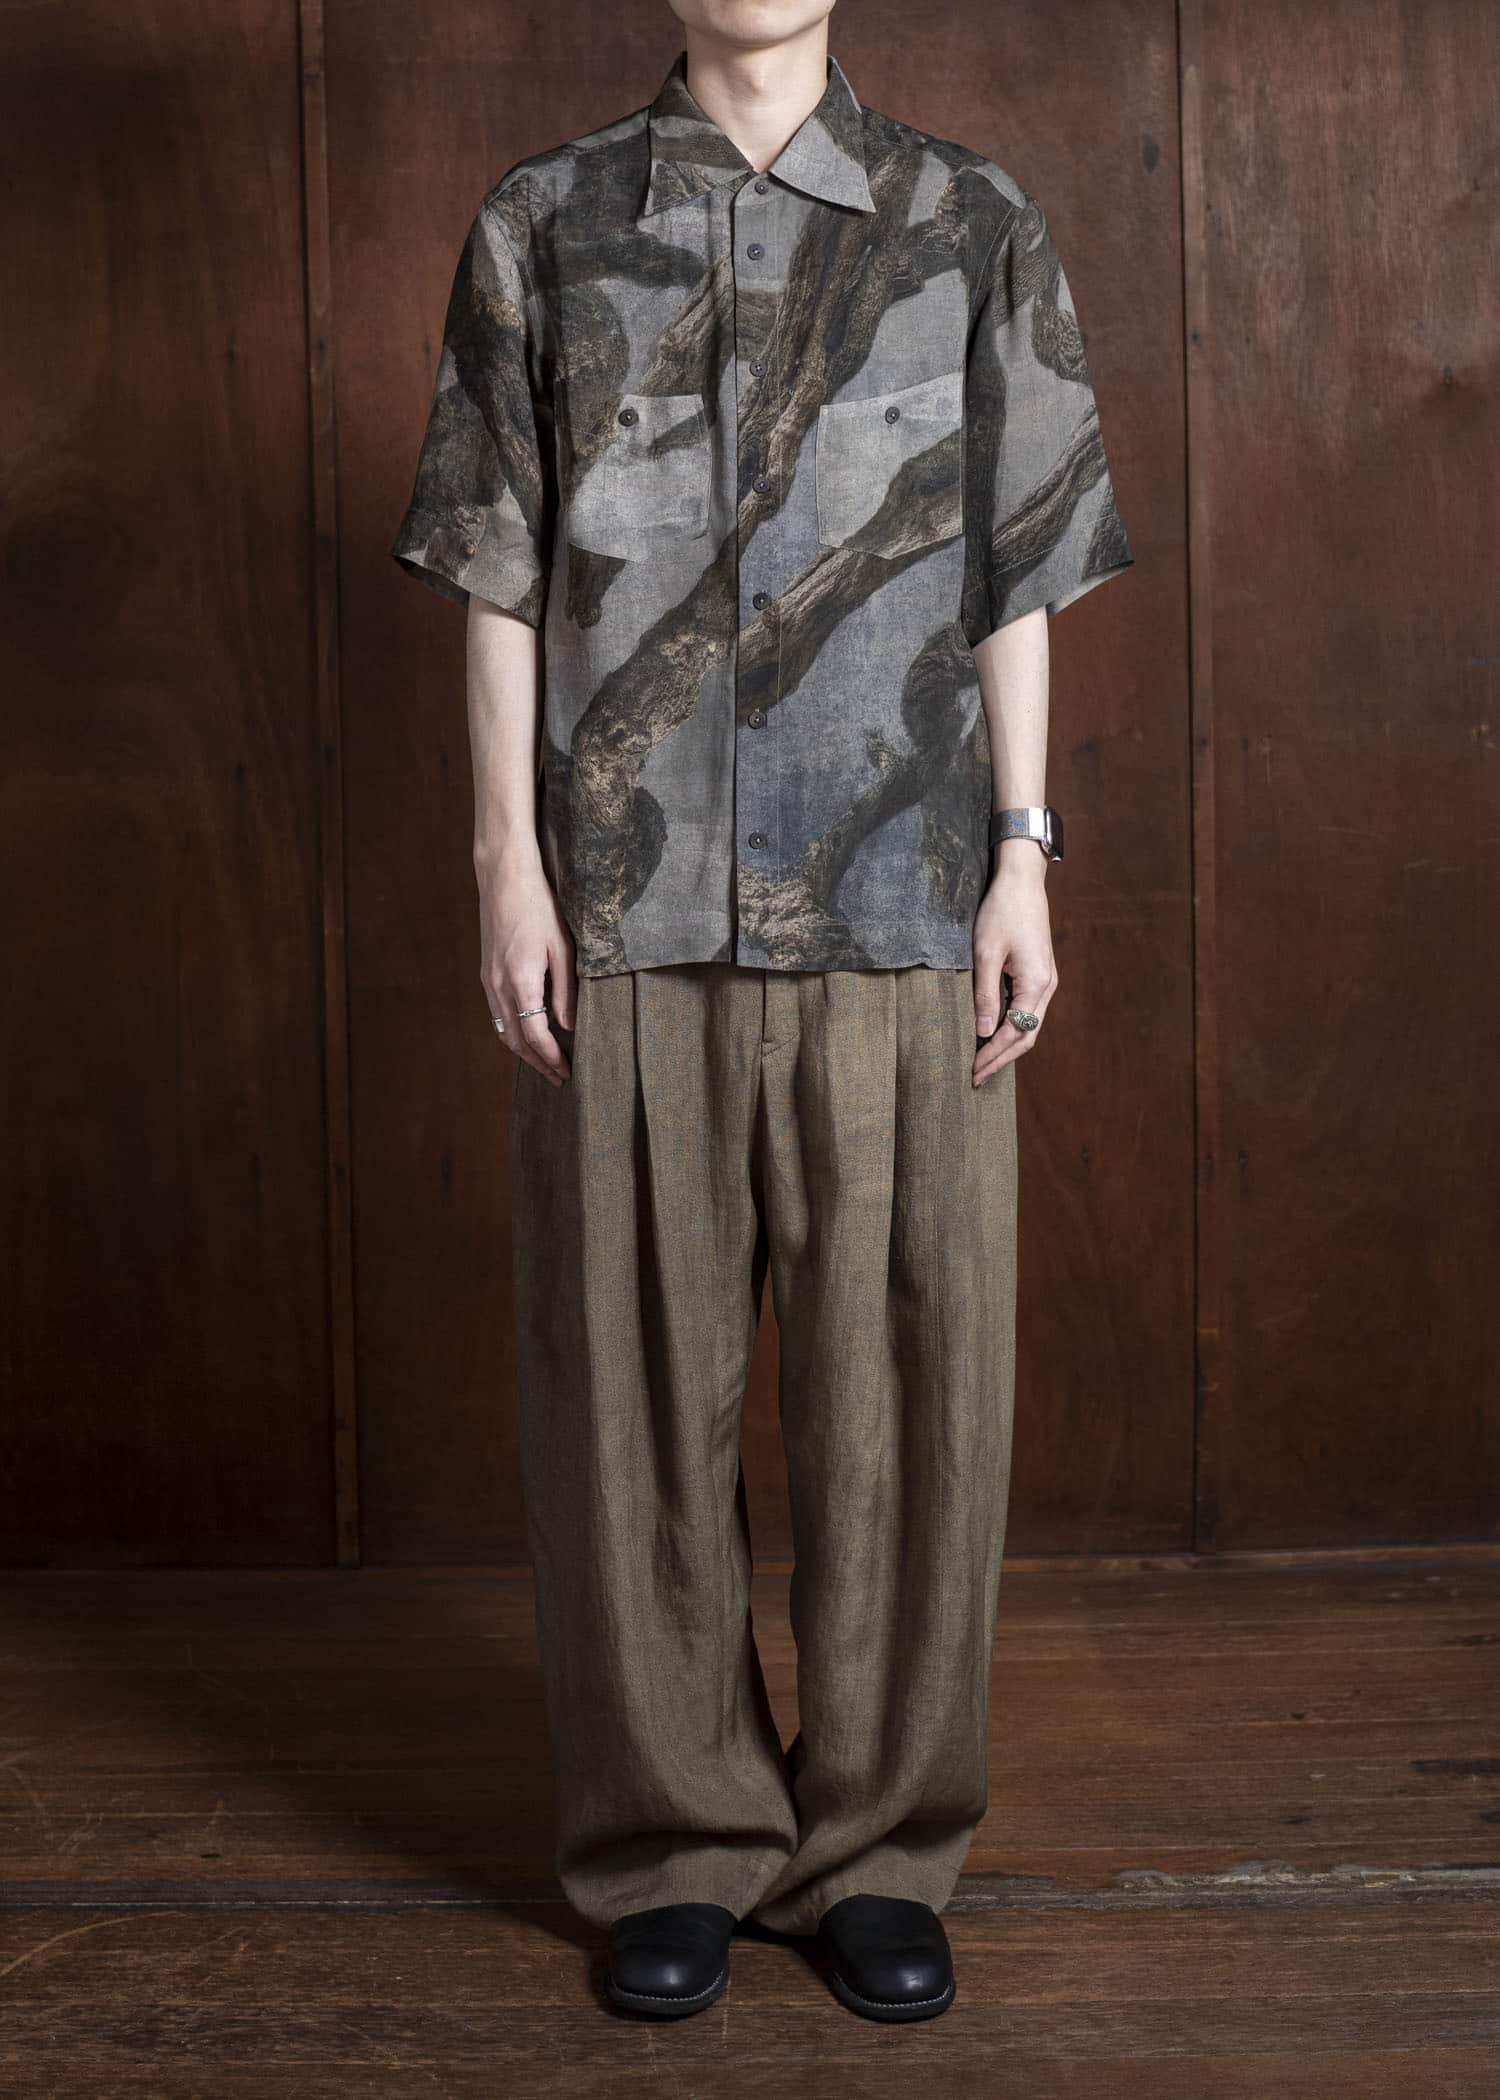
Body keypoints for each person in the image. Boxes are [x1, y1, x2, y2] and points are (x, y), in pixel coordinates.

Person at [390, 0, 1133, 2025]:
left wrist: (1024, 856)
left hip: (905, 908)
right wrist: (508, 867)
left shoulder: (971, 221)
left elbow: (1018, 566)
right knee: (625, 1394)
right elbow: (497, 574)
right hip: (626, 915)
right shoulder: (544, 223)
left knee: (916, 1393)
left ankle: (882, 1845)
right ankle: (676, 1843)